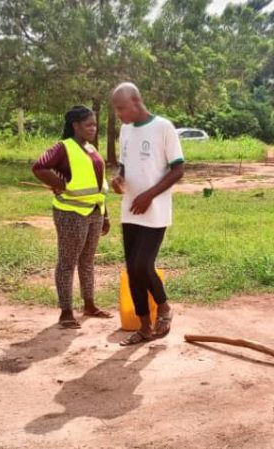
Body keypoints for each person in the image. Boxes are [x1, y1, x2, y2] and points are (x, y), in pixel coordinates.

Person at [110, 82, 185, 346]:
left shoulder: (163, 127)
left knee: (143, 264)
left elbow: (178, 169)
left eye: (121, 108)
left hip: (154, 211)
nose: (118, 114)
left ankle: (163, 307)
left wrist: (149, 195)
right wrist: (118, 179)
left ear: (136, 101)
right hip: (130, 210)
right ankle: (144, 328)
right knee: (133, 269)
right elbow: (124, 164)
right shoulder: (125, 130)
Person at [32, 105, 114, 329]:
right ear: (75, 126)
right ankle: (66, 311)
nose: (93, 128)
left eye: (95, 124)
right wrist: (59, 184)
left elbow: (99, 186)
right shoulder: (63, 147)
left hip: (94, 211)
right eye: (89, 124)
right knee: (67, 262)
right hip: (71, 214)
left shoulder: (91, 149)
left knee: (87, 261)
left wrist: (105, 215)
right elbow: (39, 167)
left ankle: (89, 305)